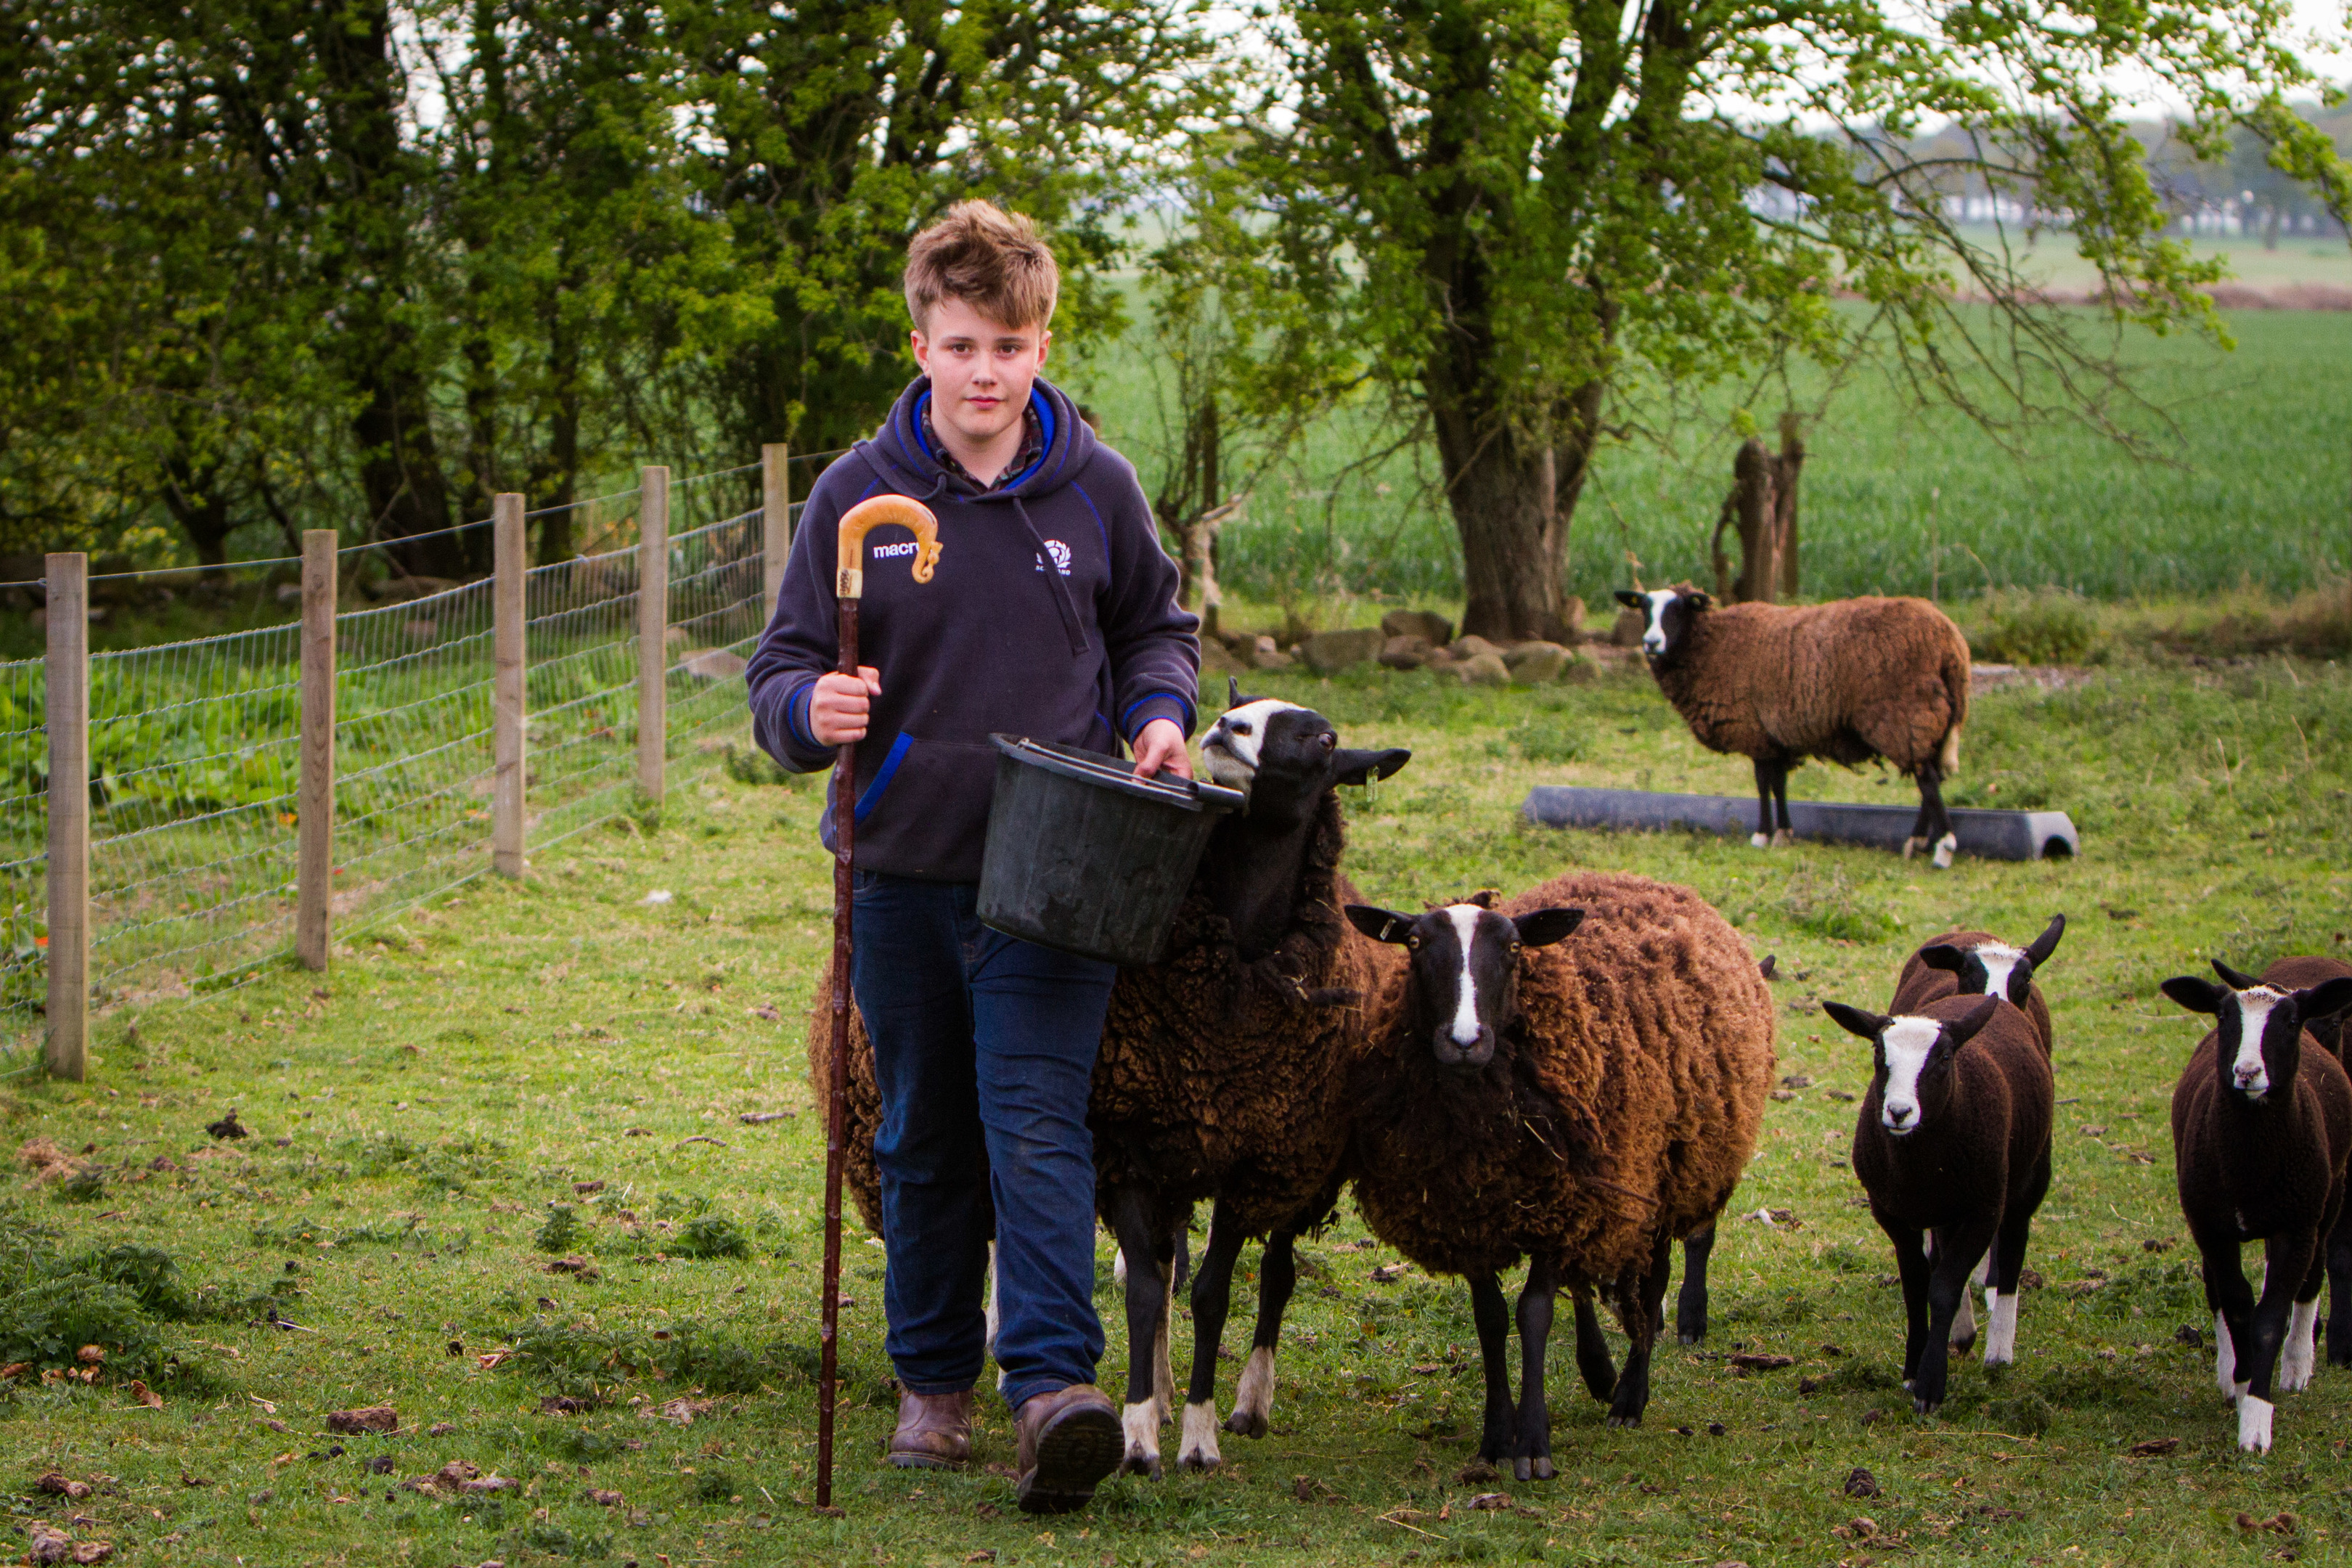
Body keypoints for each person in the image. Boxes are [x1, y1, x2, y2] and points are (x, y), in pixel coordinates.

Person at [745, 200, 1200, 1514]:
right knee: (923, 1129)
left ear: (1042, 344)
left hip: (1062, 864)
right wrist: (806, 713)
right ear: (920, 345)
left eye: (1010, 343)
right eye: (962, 345)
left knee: (1040, 1122)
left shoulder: (1096, 489)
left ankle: (1055, 1391)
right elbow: (782, 668)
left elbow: (1153, 634)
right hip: (899, 866)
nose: (987, 370)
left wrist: (1157, 718)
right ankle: (932, 1383)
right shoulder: (855, 497)